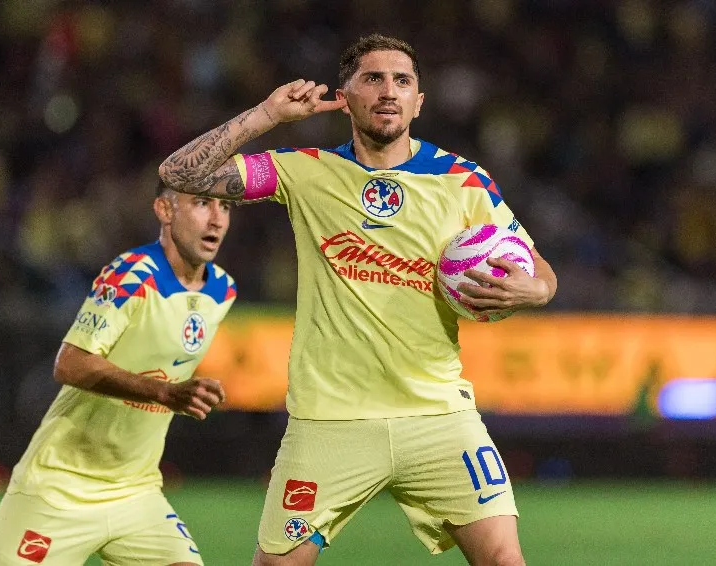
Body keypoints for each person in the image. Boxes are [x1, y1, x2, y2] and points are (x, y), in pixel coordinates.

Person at [160, 33, 557, 566]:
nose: (388, 91)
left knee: (505, 560)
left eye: (403, 81)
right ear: (345, 97)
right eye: (372, 79)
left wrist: (537, 288)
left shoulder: (463, 181)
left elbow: (540, 269)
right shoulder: (305, 170)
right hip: (329, 421)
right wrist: (265, 116)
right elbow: (179, 175)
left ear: (420, 100)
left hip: (437, 416)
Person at [0, 184, 237, 565]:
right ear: (164, 210)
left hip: (136, 493)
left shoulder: (222, 292)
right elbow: (70, 363)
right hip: (58, 490)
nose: (217, 218)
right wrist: (163, 393)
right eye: (202, 203)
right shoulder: (132, 273)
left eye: (226, 206)